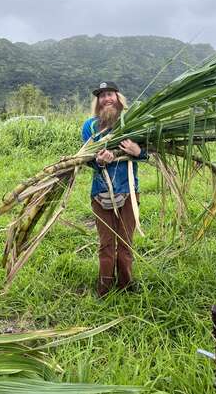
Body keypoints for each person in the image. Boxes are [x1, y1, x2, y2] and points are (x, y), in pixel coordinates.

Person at [82, 81, 147, 297]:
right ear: (97, 102)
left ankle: (126, 286)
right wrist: (99, 161)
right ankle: (104, 289)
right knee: (106, 244)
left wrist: (138, 151)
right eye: (101, 95)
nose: (106, 98)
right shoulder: (90, 127)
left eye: (110, 94)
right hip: (100, 193)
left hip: (128, 190)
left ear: (118, 98)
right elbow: (85, 159)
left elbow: (150, 151)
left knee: (125, 242)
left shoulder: (132, 124)